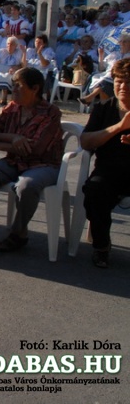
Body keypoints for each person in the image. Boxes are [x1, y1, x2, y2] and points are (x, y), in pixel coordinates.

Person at [0, 67, 63, 256]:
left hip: (44, 164)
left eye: (18, 86)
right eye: (13, 85)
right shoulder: (12, 108)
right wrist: (13, 138)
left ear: (35, 88)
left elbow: (35, 148)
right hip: (14, 161)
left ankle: (19, 232)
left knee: (27, 186)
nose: (13, 90)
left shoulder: (51, 112)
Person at [79, 58, 130, 268]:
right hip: (109, 171)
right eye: (119, 81)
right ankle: (101, 246)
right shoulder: (103, 108)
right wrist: (119, 127)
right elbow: (85, 141)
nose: (123, 86)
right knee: (94, 191)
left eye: (128, 82)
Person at [80, 33, 130, 106]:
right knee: (103, 83)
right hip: (107, 77)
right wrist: (101, 55)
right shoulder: (114, 54)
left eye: (124, 41)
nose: (122, 43)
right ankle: (99, 103)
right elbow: (101, 68)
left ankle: (90, 98)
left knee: (105, 83)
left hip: (120, 78)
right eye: (120, 41)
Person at [0, 36, 23, 105]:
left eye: (12, 44)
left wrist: (15, 67)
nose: (9, 46)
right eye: (8, 44)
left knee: (7, 78)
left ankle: (4, 99)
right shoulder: (1, 51)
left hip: (10, 70)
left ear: (16, 45)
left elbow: (21, 65)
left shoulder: (19, 53)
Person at [23, 34, 56, 102]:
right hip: (30, 72)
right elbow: (24, 65)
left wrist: (39, 54)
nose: (37, 44)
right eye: (36, 41)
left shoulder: (48, 51)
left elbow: (45, 64)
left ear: (44, 44)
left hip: (43, 72)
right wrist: (24, 53)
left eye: (39, 42)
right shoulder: (30, 51)